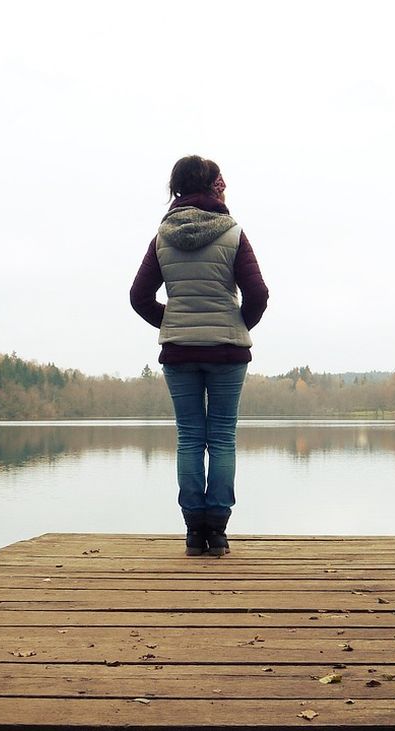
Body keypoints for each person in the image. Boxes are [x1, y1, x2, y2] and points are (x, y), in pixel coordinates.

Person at [130, 156, 270, 557]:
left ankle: (194, 534)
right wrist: (235, 326)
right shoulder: (233, 233)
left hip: (179, 353)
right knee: (222, 436)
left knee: (190, 436)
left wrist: (172, 323)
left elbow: (139, 297)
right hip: (228, 352)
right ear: (213, 187)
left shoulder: (162, 237)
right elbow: (258, 295)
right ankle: (219, 532)